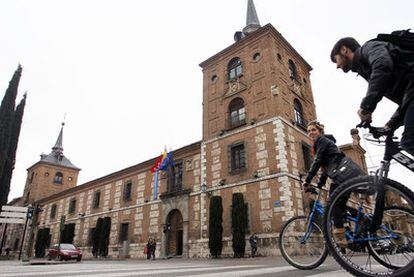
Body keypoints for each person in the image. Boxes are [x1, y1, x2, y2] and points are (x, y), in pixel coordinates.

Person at [330, 35, 414, 156]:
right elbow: (406, 101)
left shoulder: (369, 48)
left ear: (344, 50)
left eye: (335, 59)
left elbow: (382, 66)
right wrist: (389, 125)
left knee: (409, 141)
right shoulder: (366, 68)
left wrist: (366, 107)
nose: (337, 66)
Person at [302, 121, 364, 247]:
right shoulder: (325, 143)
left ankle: (340, 237)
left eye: (313, 130)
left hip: (341, 175)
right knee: (339, 206)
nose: (310, 133)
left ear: (320, 131)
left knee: (332, 204)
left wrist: (307, 180)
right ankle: (361, 218)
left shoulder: (321, 141)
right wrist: (320, 183)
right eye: (308, 131)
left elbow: (318, 161)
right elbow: (327, 167)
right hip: (344, 175)